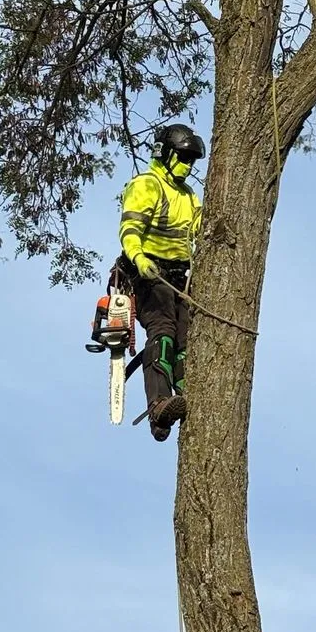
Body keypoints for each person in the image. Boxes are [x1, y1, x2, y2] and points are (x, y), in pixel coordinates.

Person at [117, 123, 205, 442]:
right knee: (163, 329)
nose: (187, 165)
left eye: (191, 160)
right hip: (145, 272)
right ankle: (158, 403)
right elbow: (130, 229)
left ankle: (182, 394)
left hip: (177, 275)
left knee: (186, 336)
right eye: (182, 157)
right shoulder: (147, 185)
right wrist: (140, 258)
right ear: (165, 153)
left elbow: (200, 231)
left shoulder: (188, 196)